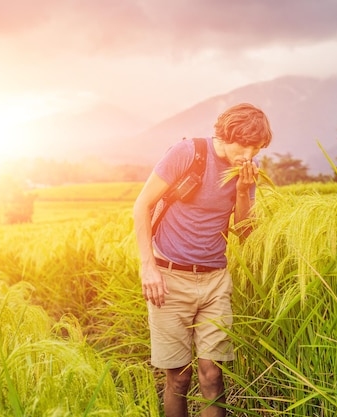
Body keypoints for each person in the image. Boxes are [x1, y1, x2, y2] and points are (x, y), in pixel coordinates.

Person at [133, 103, 272, 417]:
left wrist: (243, 190)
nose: (249, 154)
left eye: (256, 147)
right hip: (168, 280)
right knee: (178, 378)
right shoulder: (188, 153)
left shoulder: (247, 170)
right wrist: (148, 267)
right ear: (224, 135)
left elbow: (243, 231)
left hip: (215, 280)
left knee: (212, 374)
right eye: (244, 144)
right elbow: (141, 205)